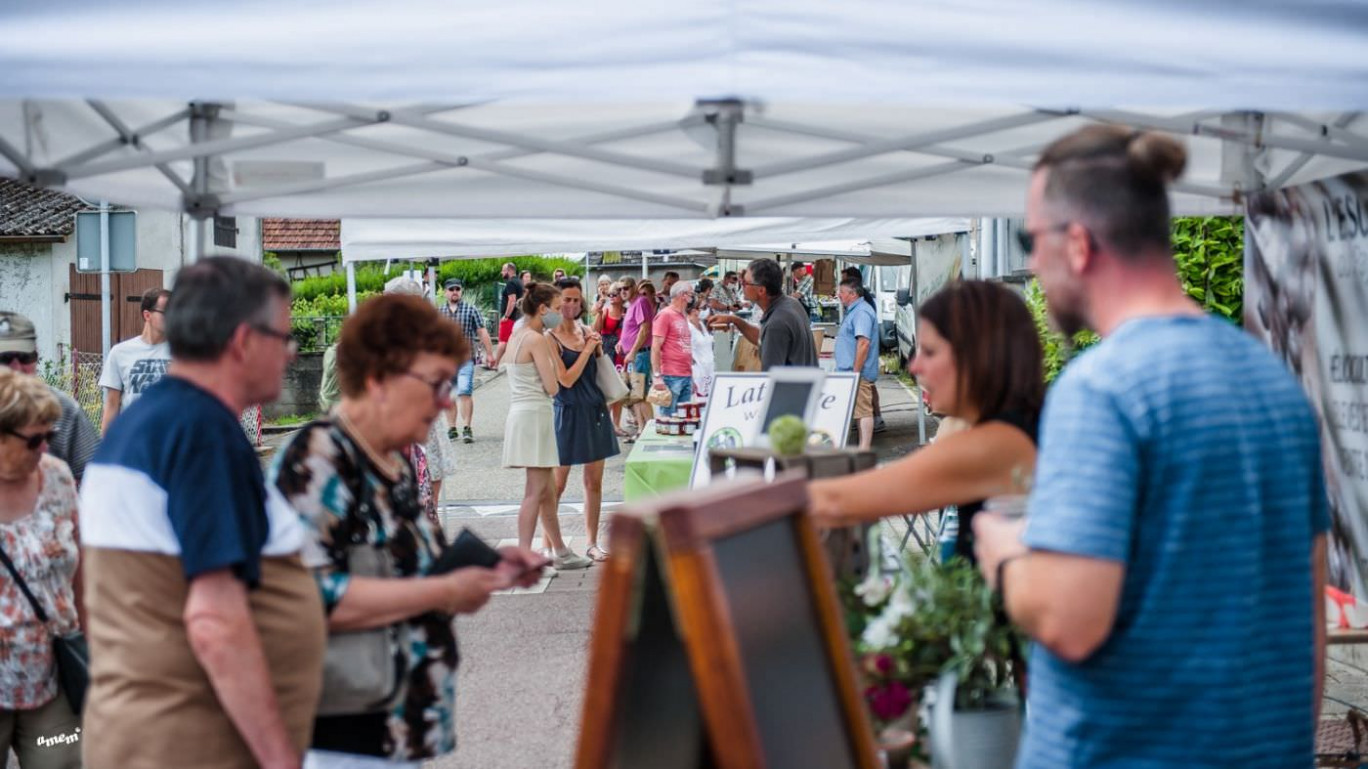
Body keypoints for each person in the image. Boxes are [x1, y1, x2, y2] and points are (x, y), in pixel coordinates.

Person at [971, 125, 1328, 769]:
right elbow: (1306, 614)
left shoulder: (1101, 387)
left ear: (1077, 244)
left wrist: (1003, 554)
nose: (1029, 263)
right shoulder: (1275, 383)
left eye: (1031, 239)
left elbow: (1068, 621)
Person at [271, 293, 545, 769]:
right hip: (344, 736)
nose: (445, 401)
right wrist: (442, 589)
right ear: (379, 381)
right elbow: (305, 598)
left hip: (394, 729)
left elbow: (409, 570)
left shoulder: (391, 457)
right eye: (435, 383)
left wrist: (491, 570)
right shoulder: (317, 460)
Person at [79, 257, 325, 769]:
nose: (291, 352)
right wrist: (280, 758)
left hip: (145, 731)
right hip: (192, 740)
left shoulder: (149, 420)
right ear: (242, 341)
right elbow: (216, 621)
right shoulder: (201, 433)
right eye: (282, 337)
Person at [809, 280, 1042, 565]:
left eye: (930, 352)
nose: (914, 366)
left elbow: (846, 498)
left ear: (978, 357)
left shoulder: (998, 441)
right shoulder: (1004, 426)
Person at [0, 369, 82, 769]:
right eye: (34, 439)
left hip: (52, 676)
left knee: (65, 761)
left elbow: (81, 568)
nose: (45, 447)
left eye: (48, 435)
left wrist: (92, 641)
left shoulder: (57, 478)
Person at [502, 283, 593, 571]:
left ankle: (560, 551)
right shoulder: (537, 339)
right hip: (536, 415)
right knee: (536, 491)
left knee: (545, 491)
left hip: (520, 413)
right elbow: (553, 387)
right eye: (555, 308)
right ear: (542, 309)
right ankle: (524, 555)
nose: (559, 313)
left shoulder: (516, 335)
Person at [548, 278, 619, 563]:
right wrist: (588, 350)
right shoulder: (549, 337)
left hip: (595, 410)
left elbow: (599, 371)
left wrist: (596, 348)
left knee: (594, 481)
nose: (572, 305)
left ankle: (591, 542)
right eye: (566, 299)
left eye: (577, 300)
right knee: (558, 483)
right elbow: (564, 379)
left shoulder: (587, 331)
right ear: (556, 302)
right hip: (567, 411)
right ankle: (551, 541)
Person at [0, 311, 99, 483]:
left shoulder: (62, 408)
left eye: (25, 357)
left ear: (36, 355)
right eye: (4, 359)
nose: (16, 368)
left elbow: (94, 475)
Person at [709, 258, 817, 370]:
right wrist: (735, 320)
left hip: (790, 386)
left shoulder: (777, 323)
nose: (741, 285)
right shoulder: (791, 304)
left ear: (761, 290)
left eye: (745, 282)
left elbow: (771, 376)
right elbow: (766, 339)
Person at [97, 286, 171, 434]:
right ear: (147, 315)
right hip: (133, 439)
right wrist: (107, 450)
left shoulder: (183, 353)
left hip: (170, 441)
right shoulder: (120, 352)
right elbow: (112, 404)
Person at [438, 278, 495, 444]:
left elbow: (482, 331)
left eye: (457, 289)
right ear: (445, 292)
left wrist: (490, 353)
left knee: (464, 391)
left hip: (465, 359)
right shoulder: (439, 312)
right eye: (451, 289)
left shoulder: (471, 310)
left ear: (461, 291)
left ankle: (467, 427)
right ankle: (451, 428)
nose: (454, 291)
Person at [834, 276, 879, 450]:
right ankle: (862, 447)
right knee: (860, 412)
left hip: (857, 373)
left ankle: (864, 448)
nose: (839, 295)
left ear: (852, 294)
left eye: (842, 292)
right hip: (852, 372)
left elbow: (863, 343)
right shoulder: (856, 311)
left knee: (863, 411)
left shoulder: (861, 312)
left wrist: (855, 371)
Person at [618, 280, 657, 437]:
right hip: (636, 354)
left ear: (634, 287)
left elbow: (645, 328)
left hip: (640, 353)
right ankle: (644, 429)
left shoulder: (640, 302)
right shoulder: (632, 304)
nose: (622, 291)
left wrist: (632, 351)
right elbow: (632, 328)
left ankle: (651, 429)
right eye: (620, 289)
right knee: (637, 395)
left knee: (640, 394)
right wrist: (622, 342)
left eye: (626, 288)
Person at [650, 281, 695, 416]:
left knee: (682, 420)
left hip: (685, 375)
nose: (692, 298)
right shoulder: (665, 315)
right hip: (671, 376)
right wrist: (657, 376)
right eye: (691, 294)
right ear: (683, 295)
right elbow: (656, 346)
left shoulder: (681, 316)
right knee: (669, 419)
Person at [593, 280, 630, 438]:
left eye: (615, 294)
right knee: (608, 389)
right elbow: (596, 330)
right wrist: (599, 312)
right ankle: (604, 424)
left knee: (620, 390)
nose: (612, 297)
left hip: (622, 353)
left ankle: (616, 424)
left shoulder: (627, 311)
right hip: (607, 351)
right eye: (610, 295)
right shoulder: (606, 310)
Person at [491, 262, 523, 369]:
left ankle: (495, 364)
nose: (501, 273)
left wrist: (506, 316)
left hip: (511, 318)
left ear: (509, 271)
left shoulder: (511, 283)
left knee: (503, 341)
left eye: (503, 270)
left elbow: (512, 300)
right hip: (519, 317)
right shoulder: (520, 282)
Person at [686, 295, 714, 399]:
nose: (707, 310)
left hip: (708, 370)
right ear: (694, 310)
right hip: (697, 373)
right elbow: (685, 353)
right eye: (704, 307)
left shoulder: (701, 325)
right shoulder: (688, 328)